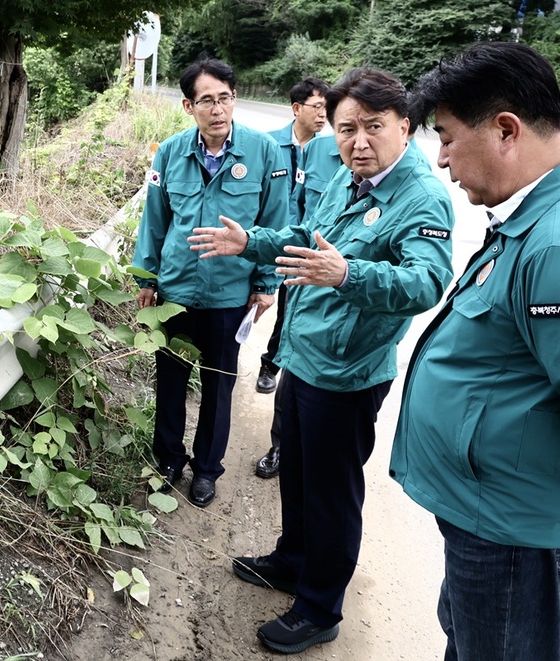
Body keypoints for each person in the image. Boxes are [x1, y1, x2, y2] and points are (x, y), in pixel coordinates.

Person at [188, 67, 455, 654]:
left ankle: (319, 607)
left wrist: (349, 273)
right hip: (304, 355)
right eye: (346, 128)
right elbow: (310, 234)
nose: (359, 142)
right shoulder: (346, 177)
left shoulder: (421, 197)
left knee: (333, 492)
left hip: (349, 373)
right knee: (300, 473)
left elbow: (426, 281)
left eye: (373, 128)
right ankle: (292, 561)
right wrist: (253, 241)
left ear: (405, 126)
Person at [390, 42, 560, 661]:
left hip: (513, 530)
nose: (440, 160)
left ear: (506, 130)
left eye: (448, 138)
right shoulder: (528, 220)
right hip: (488, 515)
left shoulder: (553, 245)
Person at [132, 56, 289, 508]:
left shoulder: (263, 152)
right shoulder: (170, 152)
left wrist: (265, 283)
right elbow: (154, 220)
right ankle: (167, 461)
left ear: (234, 99)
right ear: (188, 106)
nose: (217, 109)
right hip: (177, 291)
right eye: (206, 101)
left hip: (228, 294)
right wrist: (147, 278)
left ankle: (206, 470)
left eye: (225, 98)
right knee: (170, 380)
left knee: (219, 386)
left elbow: (274, 222)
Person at [255, 77, 330, 398]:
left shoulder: (330, 152)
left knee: (290, 313)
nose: (323, 114)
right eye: (317, 107)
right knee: (247, 307)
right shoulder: (268, 145)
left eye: (328, 108)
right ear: (297, 108)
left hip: (299, 252)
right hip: (263, 244)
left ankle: (270, 366)